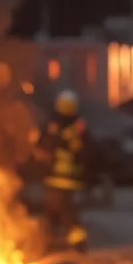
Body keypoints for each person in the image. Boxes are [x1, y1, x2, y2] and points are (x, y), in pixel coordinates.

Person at [39, 89, 89, 252]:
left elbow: (47, 150)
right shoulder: (80, 129)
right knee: (60, 212)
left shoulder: (55, 129)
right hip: (74, 180)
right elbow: (90, 154)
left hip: (57, 179)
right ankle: (53, 243)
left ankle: (70, 242)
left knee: (63, 214)